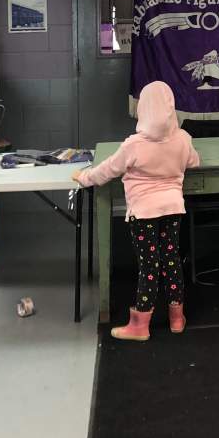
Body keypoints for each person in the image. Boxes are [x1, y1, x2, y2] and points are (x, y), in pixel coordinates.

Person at [74, 81, 199, 341]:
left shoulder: (133, 145)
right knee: (172, 260)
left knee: (149, 266)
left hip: (143, 214)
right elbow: (193, 162)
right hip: (173, 209)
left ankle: (140, 324)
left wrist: (83, 176)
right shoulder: (183, 139)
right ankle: (177, 318)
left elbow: (105, 171)